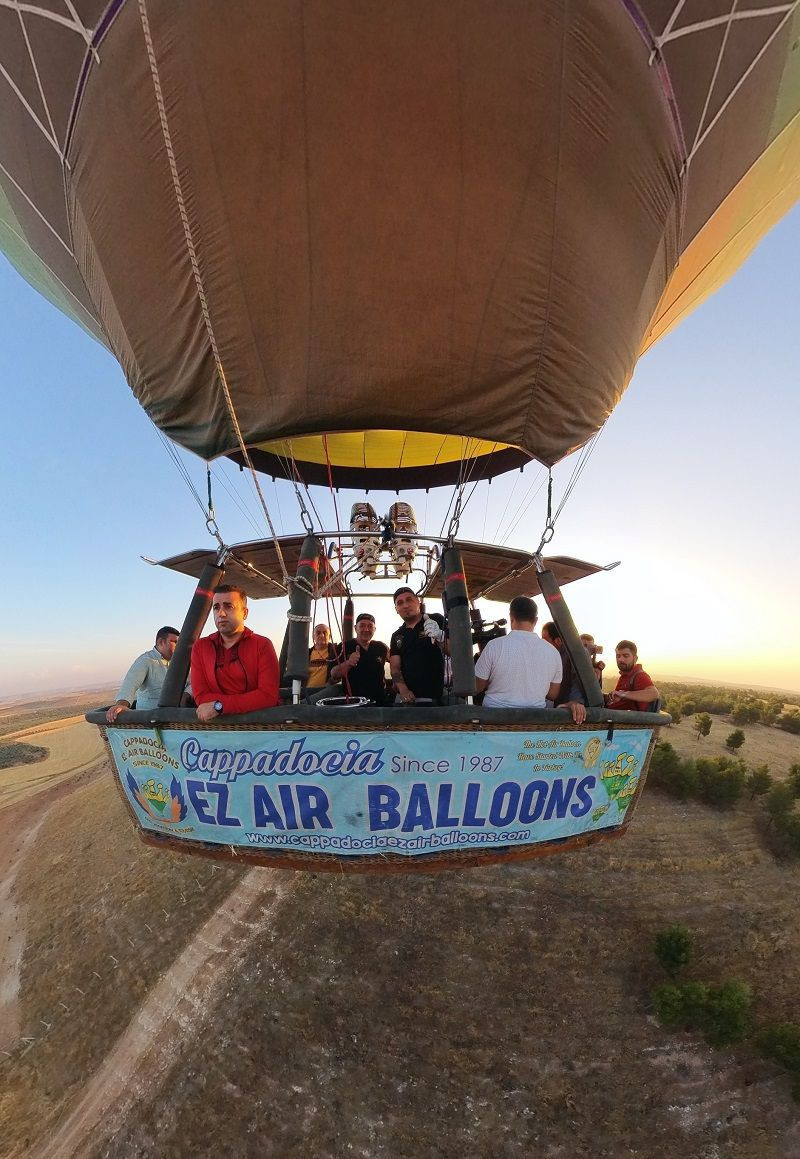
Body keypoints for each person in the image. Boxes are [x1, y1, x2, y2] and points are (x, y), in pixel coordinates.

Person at [475, 597, 586, 723]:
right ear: (535, 620)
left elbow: (477, 687)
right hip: (533, 722)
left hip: (493, 721)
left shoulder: (494, 646)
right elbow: (552, 694)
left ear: (511, 617)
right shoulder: (553, 652)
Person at [190, 584, 280, 720]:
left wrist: (220, 706)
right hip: (216, 727)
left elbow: (268, 696)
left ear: (245, 613)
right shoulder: (201, 647)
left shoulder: (262, 645)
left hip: (257, 725)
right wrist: (247, 701)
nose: (221, 613)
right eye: (216, 607)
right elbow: (201, 696)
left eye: (228, 606)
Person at [106, 626, 182, 722]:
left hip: (173, 719)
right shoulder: (146, 661)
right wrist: (121, 705)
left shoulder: (179, 663)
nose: (178, 646)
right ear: (161, 642)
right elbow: (129, 685)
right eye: (174, 642)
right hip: (149, 722)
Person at [312, 612, 390, 704]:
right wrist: (349, 663)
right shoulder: (344, 647)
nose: (366, 629)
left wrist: (398, 683)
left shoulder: (381, 647)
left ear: (374, 629)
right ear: (355, 628)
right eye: (362, 626)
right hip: (354, 702)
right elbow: (334, 674)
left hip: (380, 701)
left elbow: (396, 662)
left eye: (370, 626)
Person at [390, 587, 446, 704]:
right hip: (405, 700)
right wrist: (403, 689)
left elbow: (454, 652)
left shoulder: (436, 620)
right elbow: (395, 668)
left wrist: (441, 636)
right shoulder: (396, 635)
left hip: (433, 698)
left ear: (418, 602)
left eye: (409, 600)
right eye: (400, 603)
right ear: (396, 609)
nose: (405, 605)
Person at [605, 640, 660, 711]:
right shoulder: (625, 675)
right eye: (618, 656)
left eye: (626, 656)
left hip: (624, 717)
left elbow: (654, 694)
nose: (620, 659)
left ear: (635, 658)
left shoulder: (639, 675)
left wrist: (623, 694)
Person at [541, 621, 585, 708]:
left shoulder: (575, 655)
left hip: (568, 709)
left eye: (545, 640)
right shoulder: (550, 655)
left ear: (558, 641)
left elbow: (578, 681)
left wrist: (575, 701)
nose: (542, 644)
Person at [307, 623, 337, 689]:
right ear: (313, 636)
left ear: (329, 637)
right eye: (318, 633)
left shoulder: (335, 652)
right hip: (307, 691)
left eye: (325, 633)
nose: (322, 635)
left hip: (326, 691)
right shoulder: (306, 654)